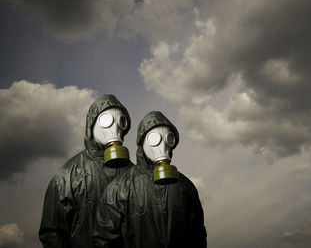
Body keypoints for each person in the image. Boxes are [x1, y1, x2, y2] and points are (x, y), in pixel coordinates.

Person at [94, 111, 207, 248]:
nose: (162, 145)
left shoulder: (185, 186)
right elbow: (104, 239)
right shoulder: (120, 189)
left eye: (168, 139)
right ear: (142, 142)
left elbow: (198, 234)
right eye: (154, 139)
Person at [39, 94, 132, 248]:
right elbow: (52, 233)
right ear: (92, 123)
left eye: (121, 121)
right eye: (106, 120)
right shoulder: (67, 176)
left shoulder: (134, 176)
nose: (115, 128)